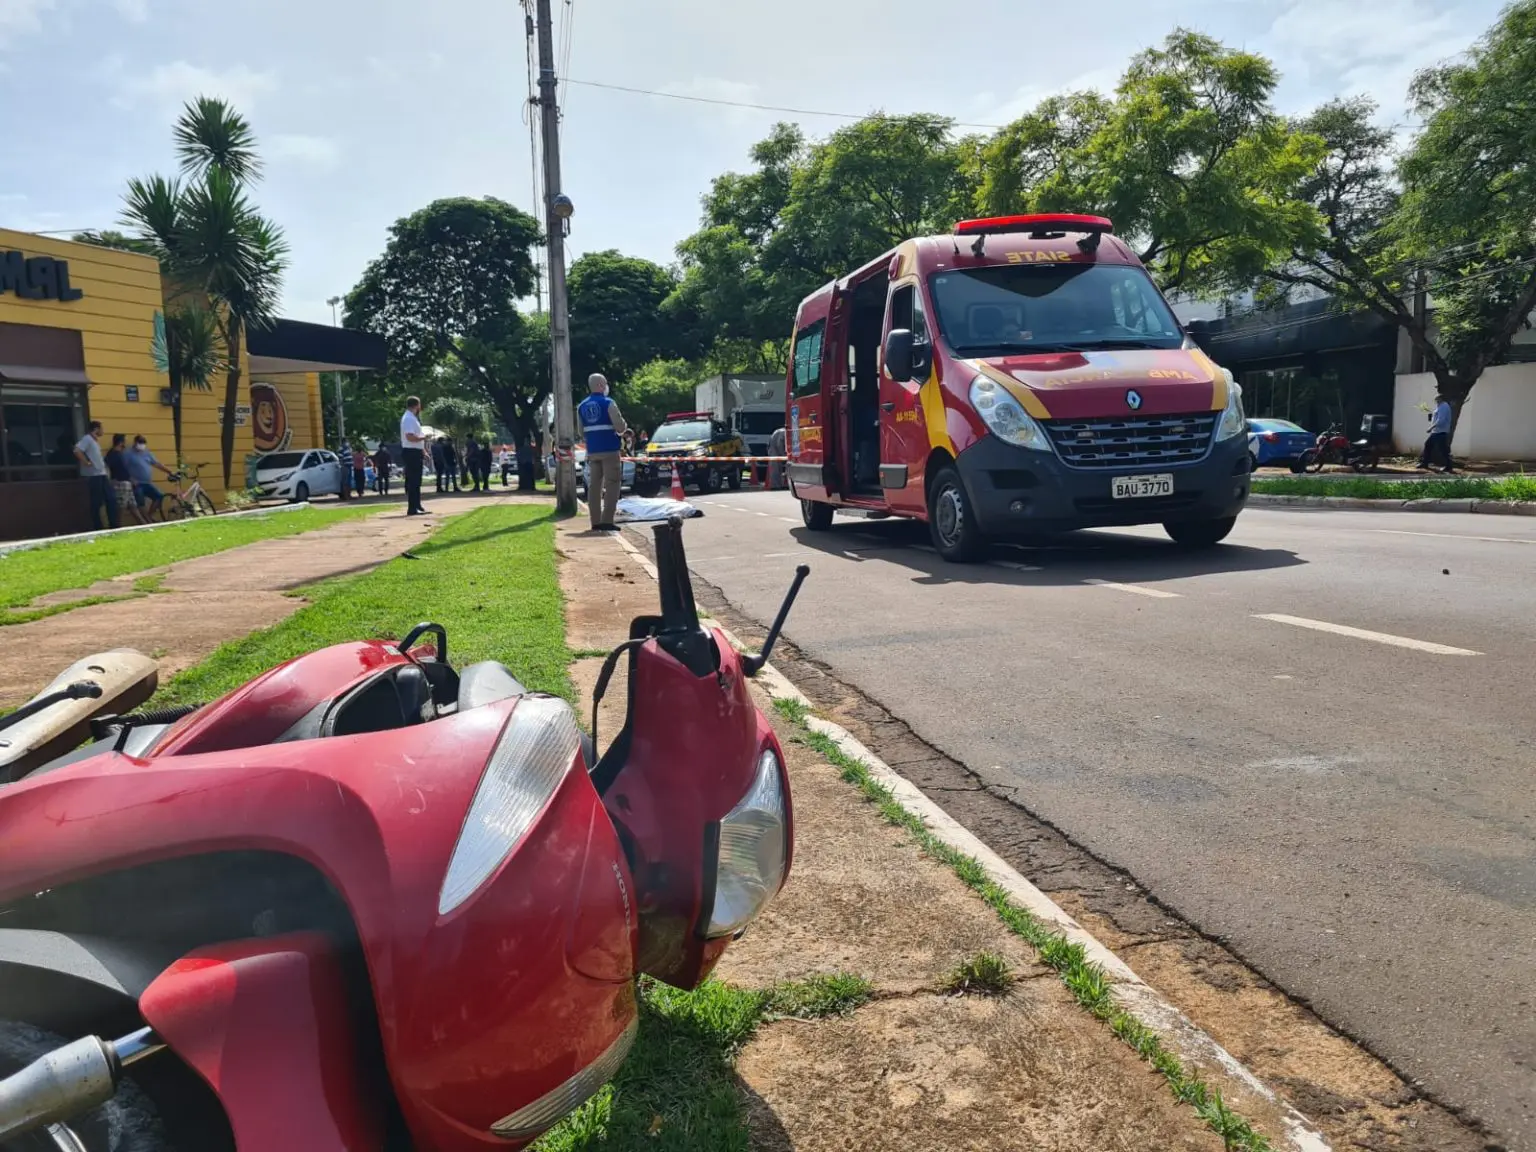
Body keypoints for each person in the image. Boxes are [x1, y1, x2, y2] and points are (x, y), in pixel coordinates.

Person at [578, 372, 628, 531]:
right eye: (605, 383)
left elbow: (580, 432)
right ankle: (607, 520)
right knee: (612, 483)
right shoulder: (609, 403)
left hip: (593, 451)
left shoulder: (582, 406)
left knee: (594, 486)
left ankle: (595, 521)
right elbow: (620, 427)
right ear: (601, 385)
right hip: (610, 449)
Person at [74, 421, 118, 530]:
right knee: (96, 502)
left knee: (111, 499)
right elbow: (77, 450)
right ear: (96, 429)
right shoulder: (87, 439)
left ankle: (113, 524)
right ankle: (97, 526)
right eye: (101, 428)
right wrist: (86, 462)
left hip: (101, 474)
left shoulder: (95, 441)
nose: (103, 431)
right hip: (94, 475)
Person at [126, 434, 174, 519]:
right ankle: (146, 522)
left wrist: (169, 472)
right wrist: (131, 479)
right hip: (137, 483)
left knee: (159, 496)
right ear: (135, 443)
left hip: (147, 483)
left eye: (143, 443)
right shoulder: (128, 453)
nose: (142, 445)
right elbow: (123, 468)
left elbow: (157, 464)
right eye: (140, 443)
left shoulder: (147, 453)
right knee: (140, 503)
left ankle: (149, 516)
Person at [399, 396, 428, 514]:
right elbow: (410, 437)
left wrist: (423, 450)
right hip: (411, 452)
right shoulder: (408, 419)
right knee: (413, 481)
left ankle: (417, 505)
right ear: (417, 405)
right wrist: (425, 437)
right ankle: (412, 508)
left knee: (417, 480)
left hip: (415, 451)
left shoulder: (412, 418)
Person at [104, 434, 139, 522]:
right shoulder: (113, 454)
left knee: (133, 506)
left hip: (126, 482)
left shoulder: (119, 454)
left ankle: (144, 524)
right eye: (124, 441)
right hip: (121, 483)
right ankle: (117, 526)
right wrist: (110, 480)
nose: (125, 444)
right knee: (121, 507)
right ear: (120, 442)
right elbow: (108, 467)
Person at [1419, 394, 1456, 474]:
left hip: (1440, 431)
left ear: (1441, 399)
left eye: (1437, 399)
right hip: (1436, 431)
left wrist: (1431, 428)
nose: (1436, 401)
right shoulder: (1440, 406)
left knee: (1443, 449)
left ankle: (1448, 466)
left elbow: (1441, 420)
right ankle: (1425, 463)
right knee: (1428, 445)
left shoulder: (1444, 407)